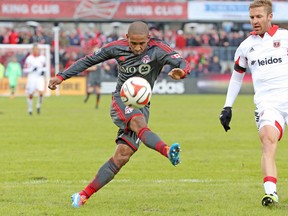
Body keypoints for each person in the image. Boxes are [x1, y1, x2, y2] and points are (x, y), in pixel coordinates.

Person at [48, 21, 191, 208]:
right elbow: (88, 60)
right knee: (139, 124)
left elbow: (181, 61)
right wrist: (61, 76)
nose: (138, 48)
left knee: (122, 155)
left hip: (142, 104)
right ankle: (167, 151)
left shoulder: (158, 49)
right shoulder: (117, 48)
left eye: (142, 44)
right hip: (121, 99)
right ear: (127, 38)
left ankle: (82, 195)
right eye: (134, 43)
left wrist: (182, 71)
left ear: (148, 39)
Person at [219, 0, 288, 207]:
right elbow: (237, 76)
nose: (254, 21)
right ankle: (271, 194)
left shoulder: (285, 37)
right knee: (267, 139)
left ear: (269, 17)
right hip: (268, 104)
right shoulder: (245, 46)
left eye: (259, 17)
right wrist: (227, 106)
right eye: (251, 17)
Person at [23, 43, 47, 115]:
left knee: (41, 92)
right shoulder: (29, 58)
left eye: (37, 49)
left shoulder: (43, 58)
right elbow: (25, 69)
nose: (36, 50)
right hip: (32, 77)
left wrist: (43, 71)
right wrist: (32, 69)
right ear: (32, 50)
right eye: (35, 49)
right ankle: (30, 109)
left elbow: (45, 67)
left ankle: (38, 106)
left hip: (39, 77)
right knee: (30, 94)